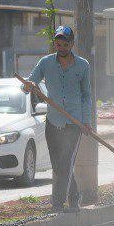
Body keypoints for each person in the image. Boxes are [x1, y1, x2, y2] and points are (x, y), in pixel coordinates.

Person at [24, 25, 95, 212]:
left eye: (65, 44)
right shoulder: (45, 63)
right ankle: (74, 198)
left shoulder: (83, 65)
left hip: (74, 123)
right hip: (53, 122)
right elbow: (31, 82)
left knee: (67, 163)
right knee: (58, 165)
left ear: (71, 44)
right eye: (58, 44)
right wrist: (29, 85)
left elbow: (86, 95)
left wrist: (86, 121)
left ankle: (57, 204)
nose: (61, 47)